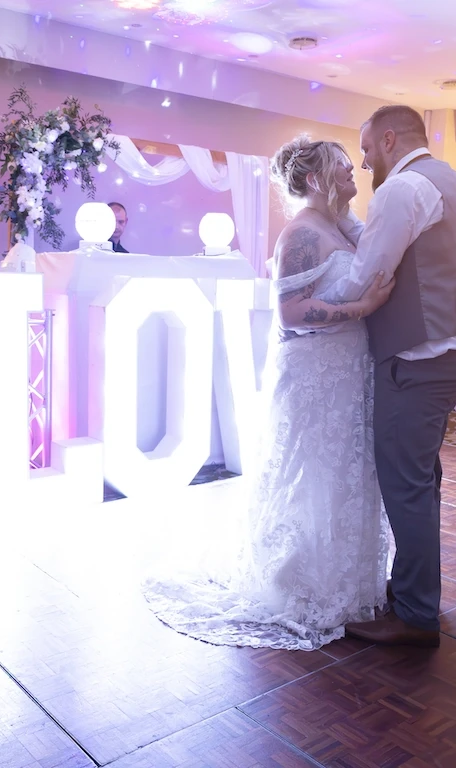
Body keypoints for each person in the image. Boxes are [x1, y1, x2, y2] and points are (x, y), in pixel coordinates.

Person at [142, 136, 396, 650]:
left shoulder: (340, 228)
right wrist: (362, 309)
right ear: (314, 178)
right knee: (312, 474)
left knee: (343, 474)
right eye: (343, 168)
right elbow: (292, 313)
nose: (354, 174)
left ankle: (347, 585)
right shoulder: (301, 235)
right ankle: (302, 587)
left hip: (347, 371)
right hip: (313, 374)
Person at [335, 105, 456, 648]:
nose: (362, 163)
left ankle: (414, 615)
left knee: (405, 485)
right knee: (421, 480)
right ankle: (412, 589)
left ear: (387, 139)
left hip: (419, 360)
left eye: (365, 149)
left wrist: (311, 296)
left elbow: (368, 276)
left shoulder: (401, 190)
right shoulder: (447, 177)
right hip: (452, 355)